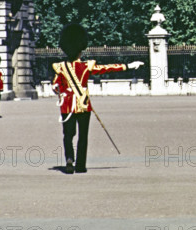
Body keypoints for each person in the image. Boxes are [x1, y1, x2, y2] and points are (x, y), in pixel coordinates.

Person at [52, 24, 144, 174]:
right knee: (83, 136)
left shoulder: (60, 67)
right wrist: (128, 66)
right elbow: (107, 68)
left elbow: (55, 85)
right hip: (83, 104)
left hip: (67, 106)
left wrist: (59, 90)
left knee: (68, 135)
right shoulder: (86, 66)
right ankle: (80, 165)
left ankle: (69, 159)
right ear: (81, 47)